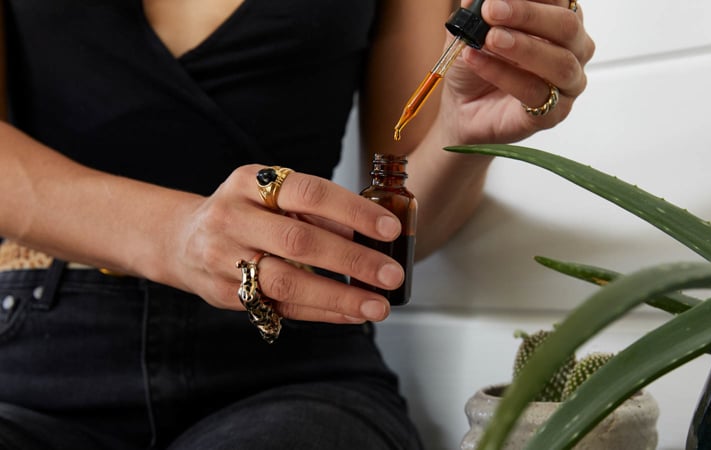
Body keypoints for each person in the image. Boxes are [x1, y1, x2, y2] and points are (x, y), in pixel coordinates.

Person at [0, 0, 594, 448]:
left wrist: (462, 133)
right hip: (38, 355)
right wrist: (174, 235)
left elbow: (399, 213)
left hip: (292, 360)